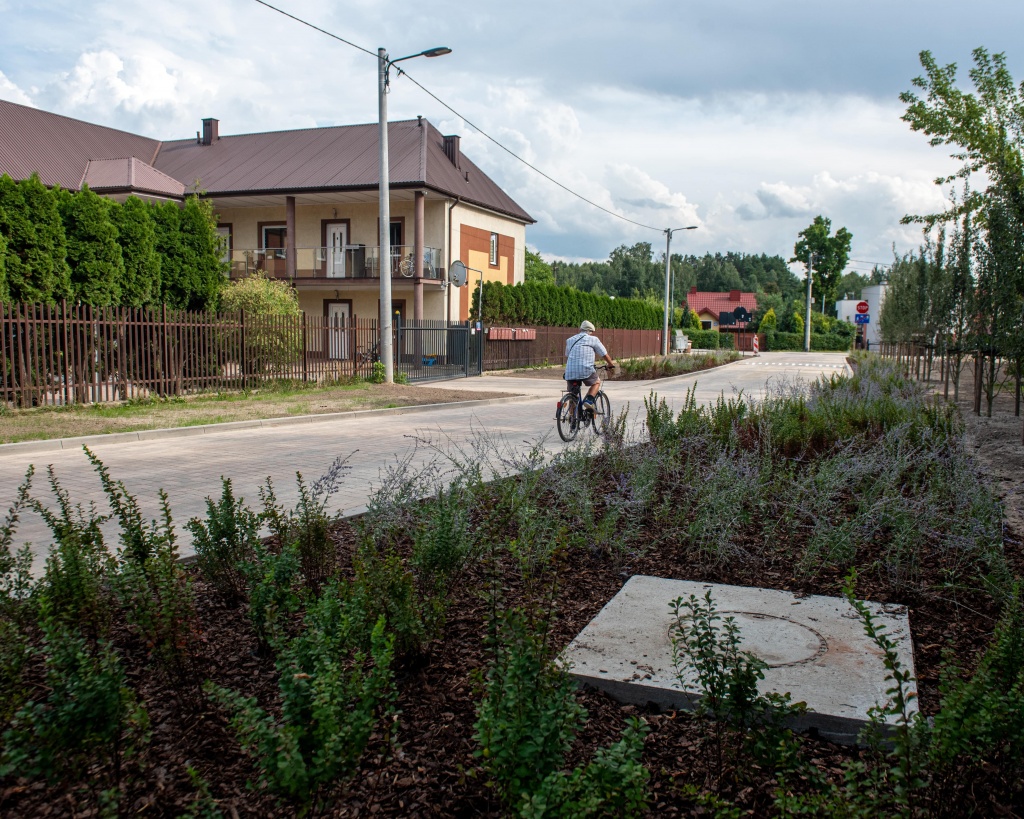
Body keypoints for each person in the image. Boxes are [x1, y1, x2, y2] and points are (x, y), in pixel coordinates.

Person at [564, 320, 616, 410]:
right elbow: (604, 354)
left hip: (570, 371)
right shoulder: (593, 339)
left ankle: (572, 420)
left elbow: (568, 355)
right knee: (596, 382)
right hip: (585, 369)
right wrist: (611, 364)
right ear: (590, 331)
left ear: (581, 329)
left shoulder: (570, 340)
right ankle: (589, 400)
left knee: (573, 395)